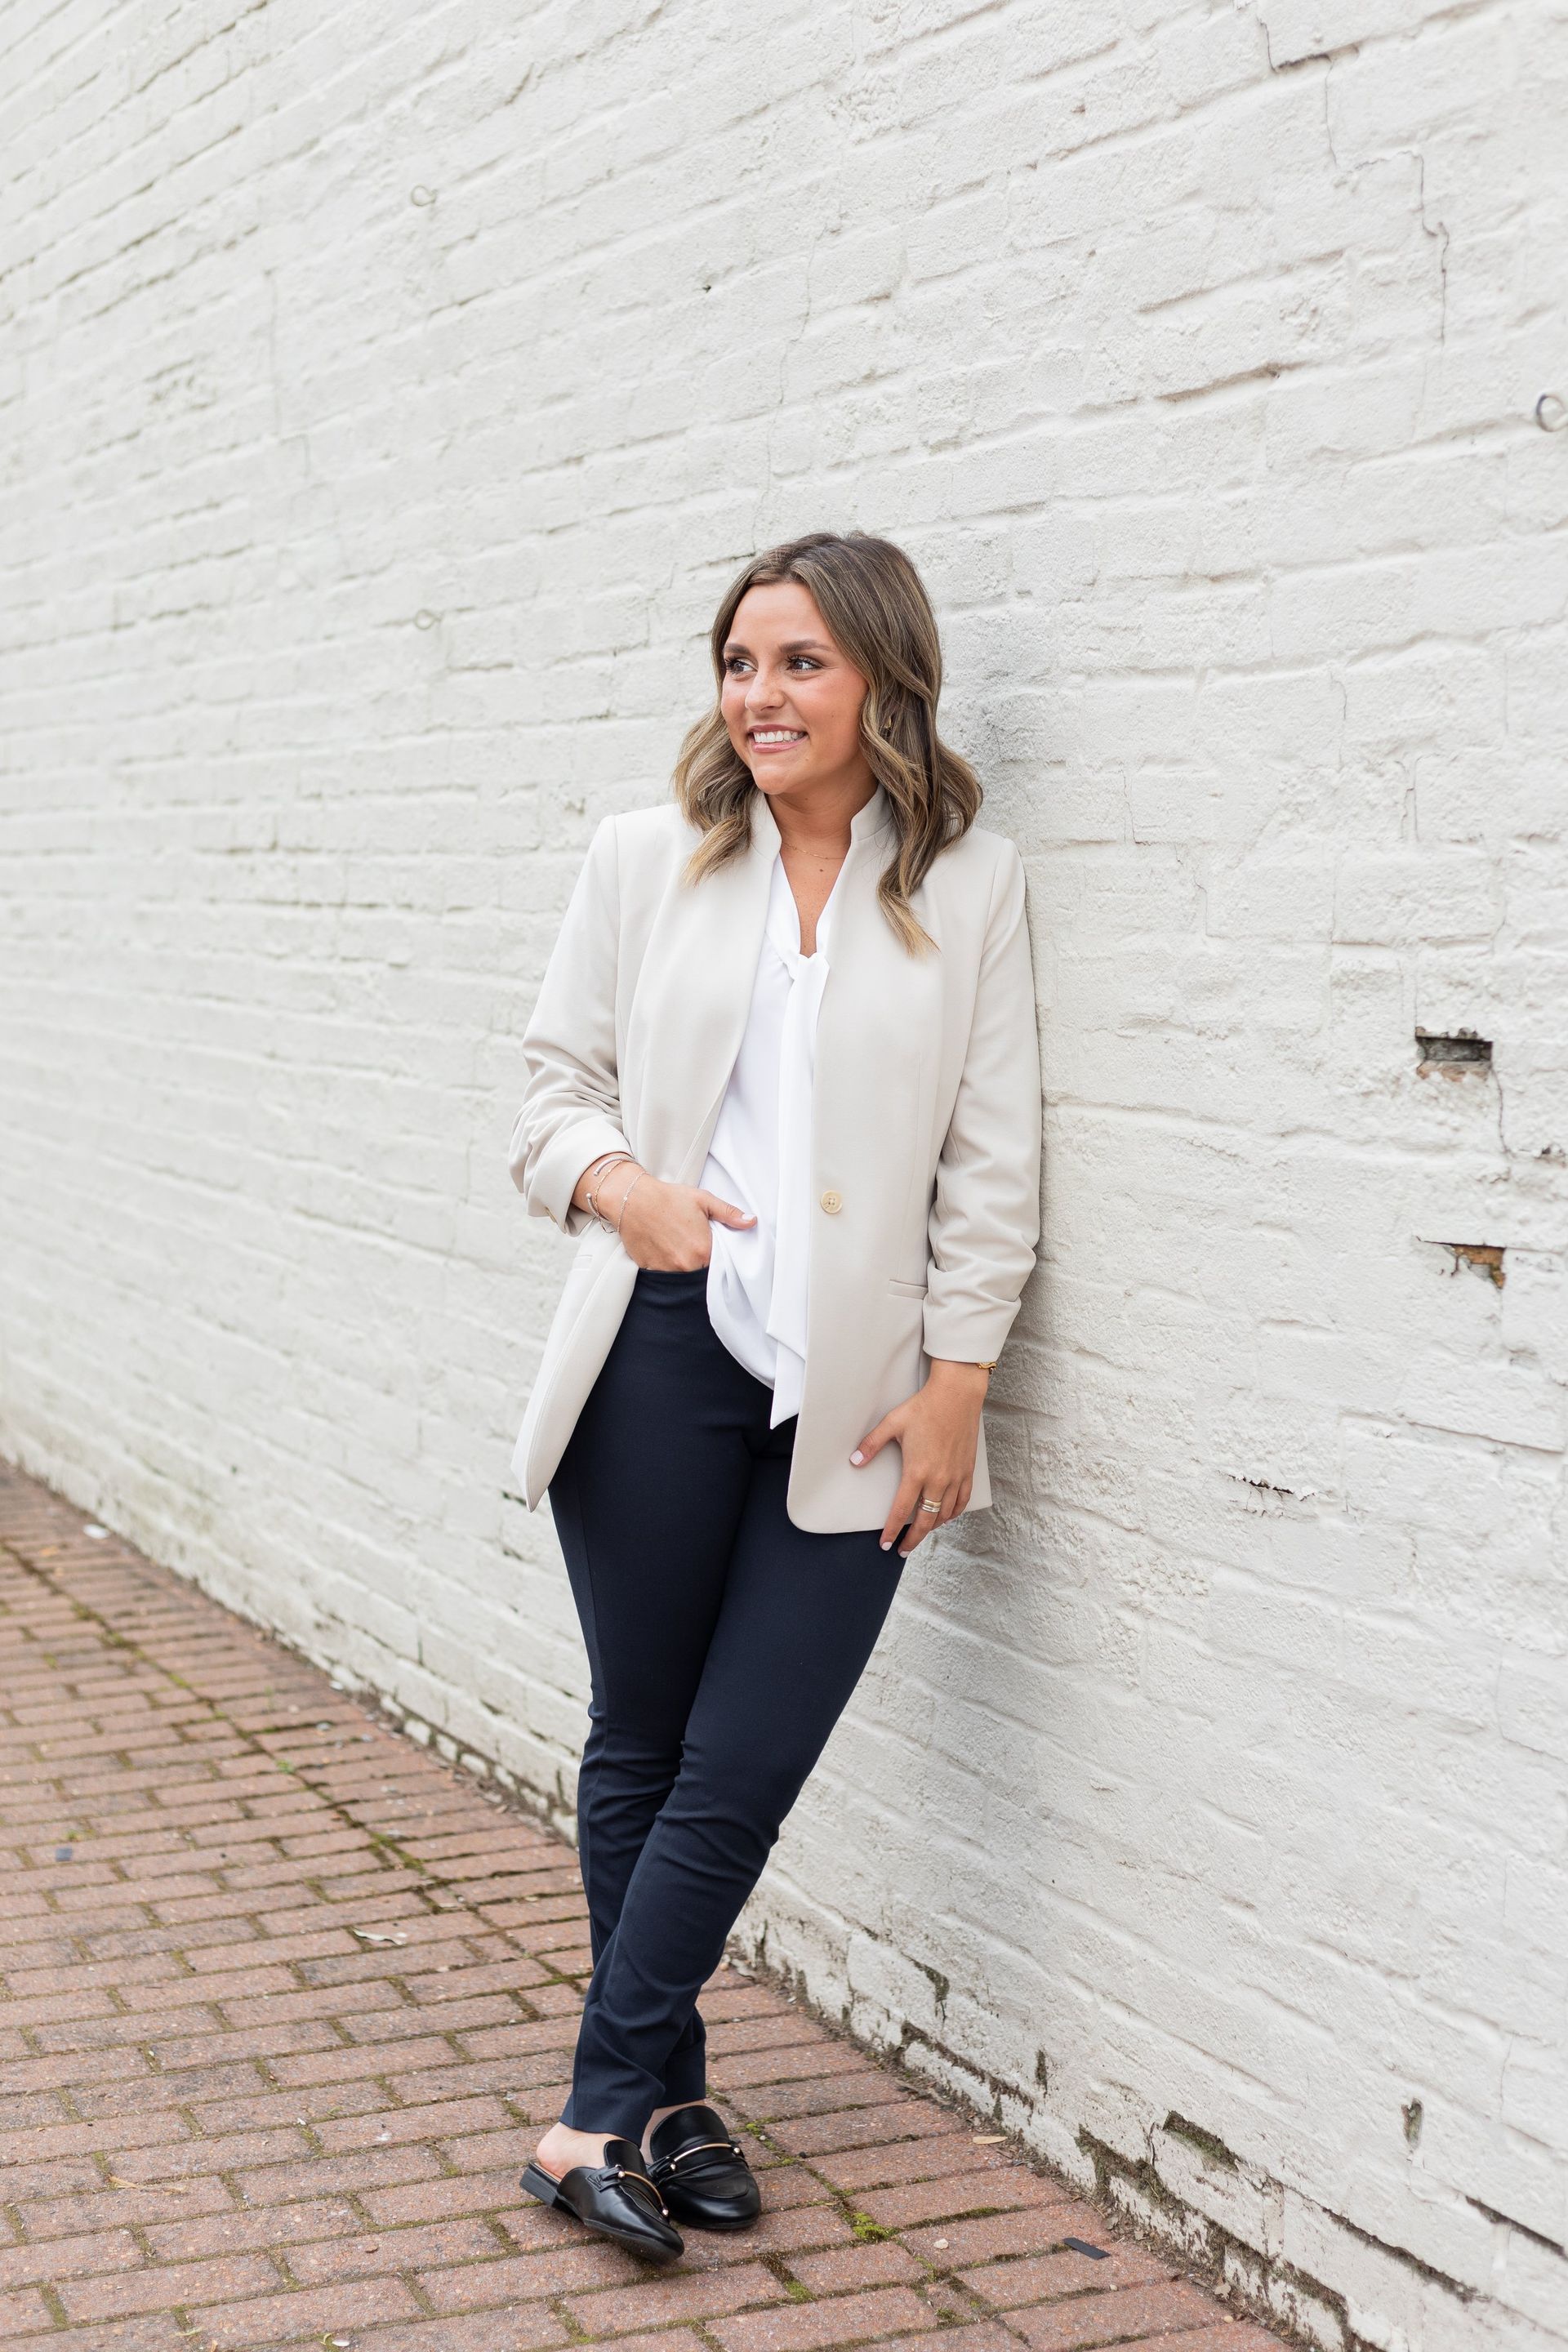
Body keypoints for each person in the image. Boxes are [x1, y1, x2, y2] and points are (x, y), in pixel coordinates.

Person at [507, 529, 1041, 2263]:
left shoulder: (968, 884)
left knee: (740, 1768)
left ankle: (590, 2108)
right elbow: (545, 1090)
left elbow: (995, 1157)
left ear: (883, 675)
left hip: (867, 1400)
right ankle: (660, 2100)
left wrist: (962, 1375)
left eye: (800, 662)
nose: (760, 696)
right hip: (659, 1357)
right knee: (644, 1748)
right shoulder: (644, 859)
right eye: (740, 664)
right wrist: (621, 1188)